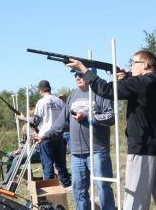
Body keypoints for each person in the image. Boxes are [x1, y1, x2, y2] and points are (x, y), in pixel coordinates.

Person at [66, 50, 156, 210]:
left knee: (135, 202)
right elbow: (138, 88)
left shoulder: (141, 83)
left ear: (146, 65)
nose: (130, 66)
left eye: (134, 63)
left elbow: (106, 90)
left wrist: (85, 71)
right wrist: (127, 78)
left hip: (142, 148)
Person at [35, 69, 116, 210]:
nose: (78, 77)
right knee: (78, 189)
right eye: (75, 75)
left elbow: (111, 117)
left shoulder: (102, 93)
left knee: (103, 187)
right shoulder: (73, 96)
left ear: (91, 74)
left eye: (81, 74)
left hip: (97, 151)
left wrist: (87, 116)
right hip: (77, 154)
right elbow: (61, 123)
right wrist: (44, 135)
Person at [19, 80, 71, 187]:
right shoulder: (59, 101)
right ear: (49, 88)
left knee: (47, 166)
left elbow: (36, 121)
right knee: (61, 165)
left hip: (45, 137)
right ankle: (68, 187)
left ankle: (50, 191)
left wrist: (23, 118)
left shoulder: (41, 102)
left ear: (40, 90)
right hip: (59, 136)